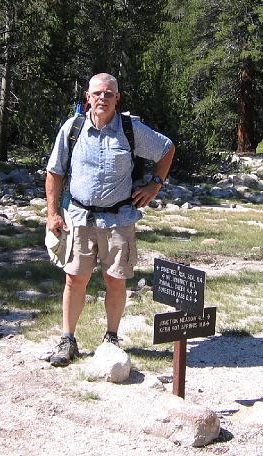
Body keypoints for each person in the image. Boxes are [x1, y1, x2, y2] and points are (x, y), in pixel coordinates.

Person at [45, 73, 175, 366]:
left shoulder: (131, 129)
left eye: (108, 94)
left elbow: (166, 149)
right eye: (97, 94)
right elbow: (54, 172)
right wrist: (52, 213)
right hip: (78, 217)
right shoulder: (72, 129)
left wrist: (154, 184)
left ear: (118, 98)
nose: (102, 98)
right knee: (74, 279)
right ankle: (68, 339)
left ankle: (112, 337)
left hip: (119, 220)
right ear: (87, 97)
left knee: (115, 281)